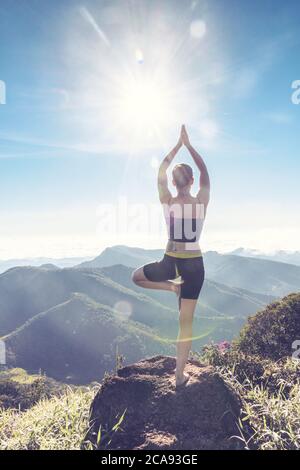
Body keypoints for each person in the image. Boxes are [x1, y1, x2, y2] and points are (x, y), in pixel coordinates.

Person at [132, 124, 210, 388]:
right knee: (185, 323)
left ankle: (170, 288)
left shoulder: (167, 200)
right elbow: (205, 173)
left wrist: (176, 146)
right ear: (190, 182)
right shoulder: (200, 202)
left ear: (175, 183)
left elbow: (161, 171)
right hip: (194, 265)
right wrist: (189, 146)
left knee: (136, 277)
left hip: (170, 262)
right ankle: (179, 376)